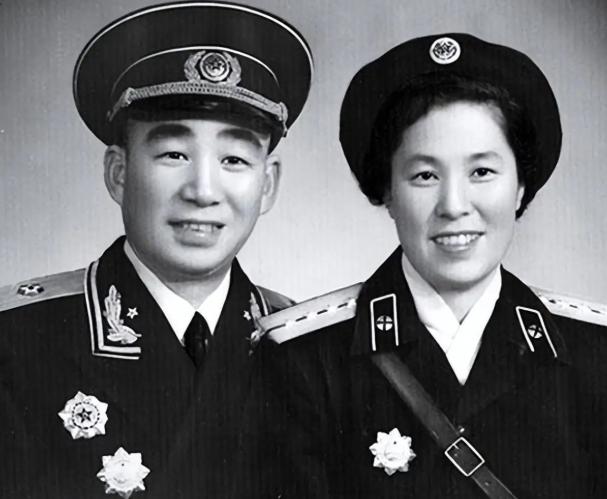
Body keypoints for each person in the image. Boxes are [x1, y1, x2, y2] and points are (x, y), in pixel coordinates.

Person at [242, 34, 607, 498]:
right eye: (425, 176)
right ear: (388, 193)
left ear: (520, 187)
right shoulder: (305, 360)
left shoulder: (595, 354)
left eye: (482, 172)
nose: (454, 205)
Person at [0, 2, 312, 498]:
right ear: (118, 174)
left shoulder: (305, 348)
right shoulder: (18, 342)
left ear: (268, 184)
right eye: (173, 154)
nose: (203, 190)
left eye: (234, 159)